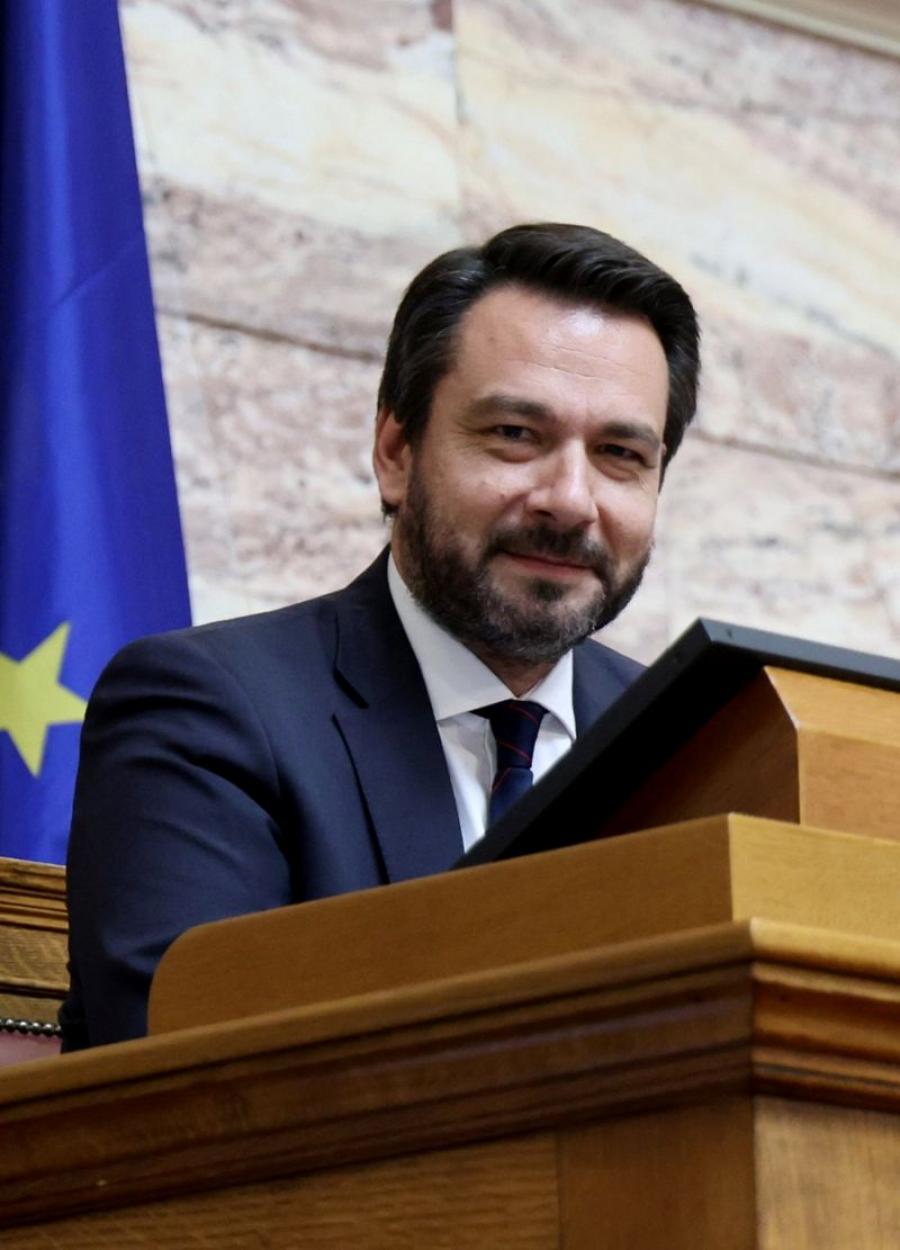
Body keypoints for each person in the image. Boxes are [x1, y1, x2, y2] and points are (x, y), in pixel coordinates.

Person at [60, 223, 700, 1050]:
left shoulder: (692, 740)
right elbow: (197, 1079)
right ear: (397, 452)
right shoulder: (205, 712)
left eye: (620, 454)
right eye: (515, 435)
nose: (571, 500)